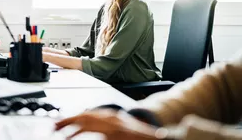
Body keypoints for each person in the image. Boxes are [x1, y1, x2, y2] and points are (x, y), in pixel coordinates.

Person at [55, 56, 242, 139]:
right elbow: (224, 85)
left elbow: (105, 65)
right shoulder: (108, 8)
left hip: (131, 85)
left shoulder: (135, 7)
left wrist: (163, 138)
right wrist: (141, 119)